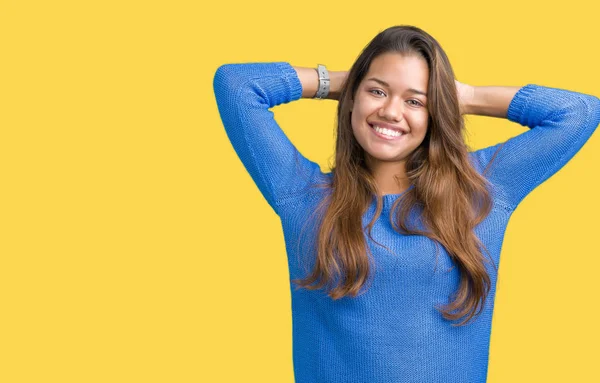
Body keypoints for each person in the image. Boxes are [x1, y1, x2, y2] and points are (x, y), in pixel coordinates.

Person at [212, 25, 600, 383]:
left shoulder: (480, 189)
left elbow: (578, 112)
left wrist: (458, 95)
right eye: (377, 92)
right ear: (352, 99)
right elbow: (237, 84)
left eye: (416, 101)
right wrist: (347, 83)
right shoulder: (305, 195)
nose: (391, 112)